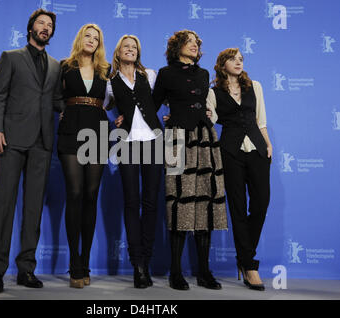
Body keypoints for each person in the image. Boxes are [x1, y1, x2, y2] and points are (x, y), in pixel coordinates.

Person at [0, 9, 63, 293]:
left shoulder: (56, 66)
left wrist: (75, 111)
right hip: (12, 139)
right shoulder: (11, 57)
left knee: (33, 210)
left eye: (50, 25)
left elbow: (56, 100)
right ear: (30, 28)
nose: (45, 27)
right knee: (4, 206)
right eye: (41, 23)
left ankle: (26, 269)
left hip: (42, 142)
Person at [152, 30, 227, 291]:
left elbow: (206, 104)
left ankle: (204, 271)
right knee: (179, 203)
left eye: (197, 43)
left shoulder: (204, 74)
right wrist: (127, 120)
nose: (195, 45)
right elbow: (152, 105)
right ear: (177, 46)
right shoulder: (165, 73)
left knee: (205, 202)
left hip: (205, 138)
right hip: (177, 139)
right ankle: (175, 272)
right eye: (189, 42)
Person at [207, 48, 272, 291]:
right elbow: (209, 118)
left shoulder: (255, 86)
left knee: (261, 203)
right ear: (222, 64)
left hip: (257, 150)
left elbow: (260, 121)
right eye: (232, 59)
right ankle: (250, 266)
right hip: (230, 153)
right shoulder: (213, 93)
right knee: (237, 208)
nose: (238, 62)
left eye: (241, 59)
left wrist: (268, 144)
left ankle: (244, 258)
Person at [106, 35, 163, 288]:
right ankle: (137, 264)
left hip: (153, 141)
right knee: (131, 202)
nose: (130, 50)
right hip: (127, 143)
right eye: (126, 47)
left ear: (138, 53)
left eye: (134, 47)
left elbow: (163, 99)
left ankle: (146, 262)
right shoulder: (109, 82)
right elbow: (104, 106)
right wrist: (117, 119)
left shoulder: (149, 75)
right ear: (118, 52)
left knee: (150, 202)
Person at [57, 24, 110, 289]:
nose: (91, 40)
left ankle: (86, 261)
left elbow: (123, 95)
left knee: (91, 194)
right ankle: (75, 263)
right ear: (80, 39)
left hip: (98, 131)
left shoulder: (106, 69)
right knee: (75, 193)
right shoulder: (65, 66)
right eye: (87, 36)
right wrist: (60, 110)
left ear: (100, 43)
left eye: (96, 38)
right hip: (70, 131)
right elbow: (54, 96)